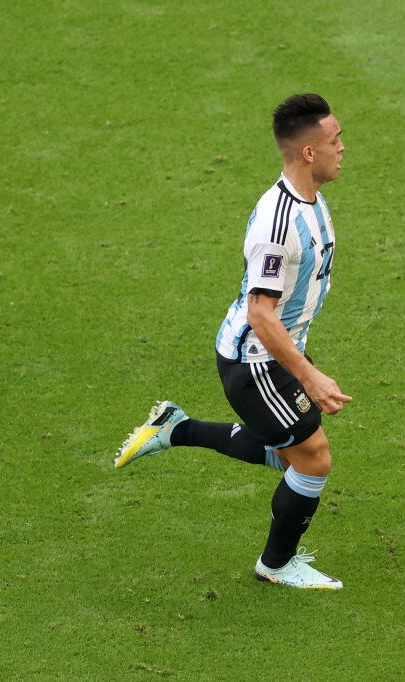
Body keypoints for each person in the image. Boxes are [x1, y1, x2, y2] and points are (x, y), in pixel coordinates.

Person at [115, 93, 351, 589]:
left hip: (279, 350)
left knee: (289, 452)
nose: (342, 147)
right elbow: (261, 314)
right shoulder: (278, 225)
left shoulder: (309, 198)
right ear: (309, 152)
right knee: (313, 459)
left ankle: (177, 428)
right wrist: (309, 374)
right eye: (335, 140)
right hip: (257, 361)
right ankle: (276, 565)